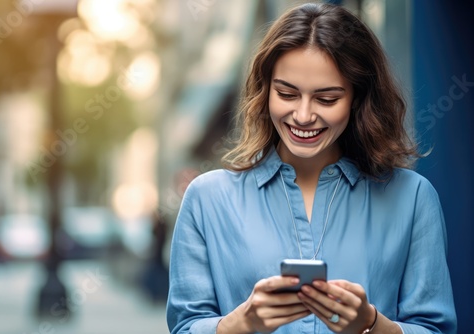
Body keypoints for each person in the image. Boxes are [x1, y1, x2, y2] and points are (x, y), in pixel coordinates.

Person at [166, 3, 457, 334]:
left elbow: (436, 328)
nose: (303, 116)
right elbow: (185, 327)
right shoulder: (207, 199)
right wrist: (241, 323)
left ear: (357, 99)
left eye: (327, 99)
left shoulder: (412, 198)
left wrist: (372, 325)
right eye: (287, 93)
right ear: (265, 92)